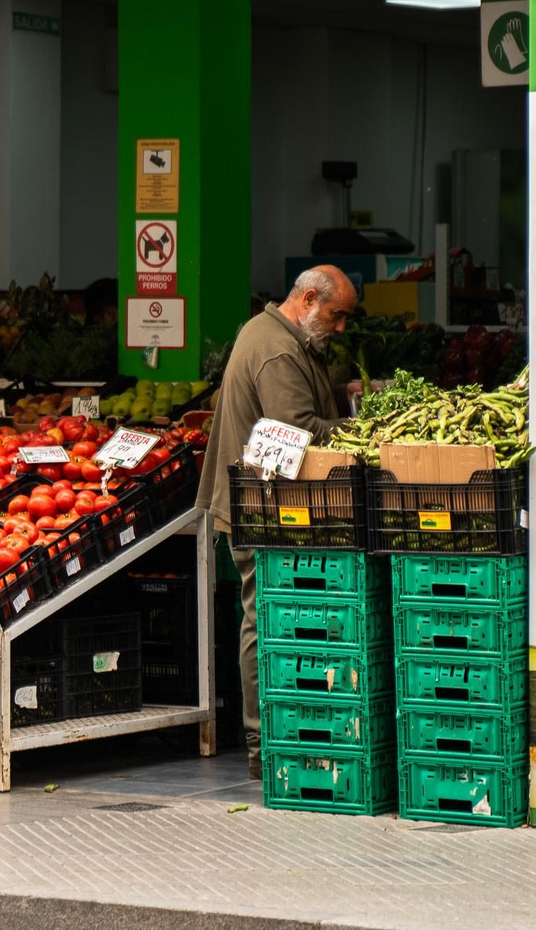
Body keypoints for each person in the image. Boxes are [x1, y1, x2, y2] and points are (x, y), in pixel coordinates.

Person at [194, 265, 357, 779]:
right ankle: (263, 742)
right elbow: (301, 431)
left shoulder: (275, 334)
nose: (340, 327)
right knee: (262, 616)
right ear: (308, 299)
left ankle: (276, 735)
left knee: (268, 613)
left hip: (271, 505)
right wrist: (362, 428)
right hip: (260, 508)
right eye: (336, 316)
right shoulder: (278, 349)